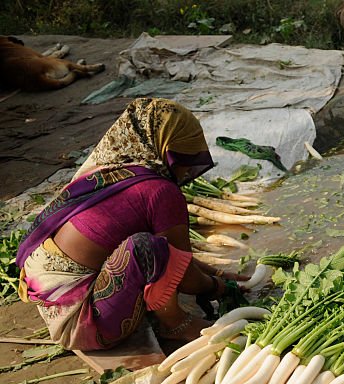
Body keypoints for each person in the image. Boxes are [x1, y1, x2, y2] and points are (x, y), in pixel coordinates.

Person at [16, 97, 242, 350]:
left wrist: (218, 272)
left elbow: (178, 259)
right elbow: (185, 276)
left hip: (55, 307)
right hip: (85, 325)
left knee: (156, 248)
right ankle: (176, 326)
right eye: (184, 162)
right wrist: (221, 288)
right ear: (170, 151)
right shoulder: (160, 191)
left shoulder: (107, 175)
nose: (185, 173)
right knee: (146, 248)